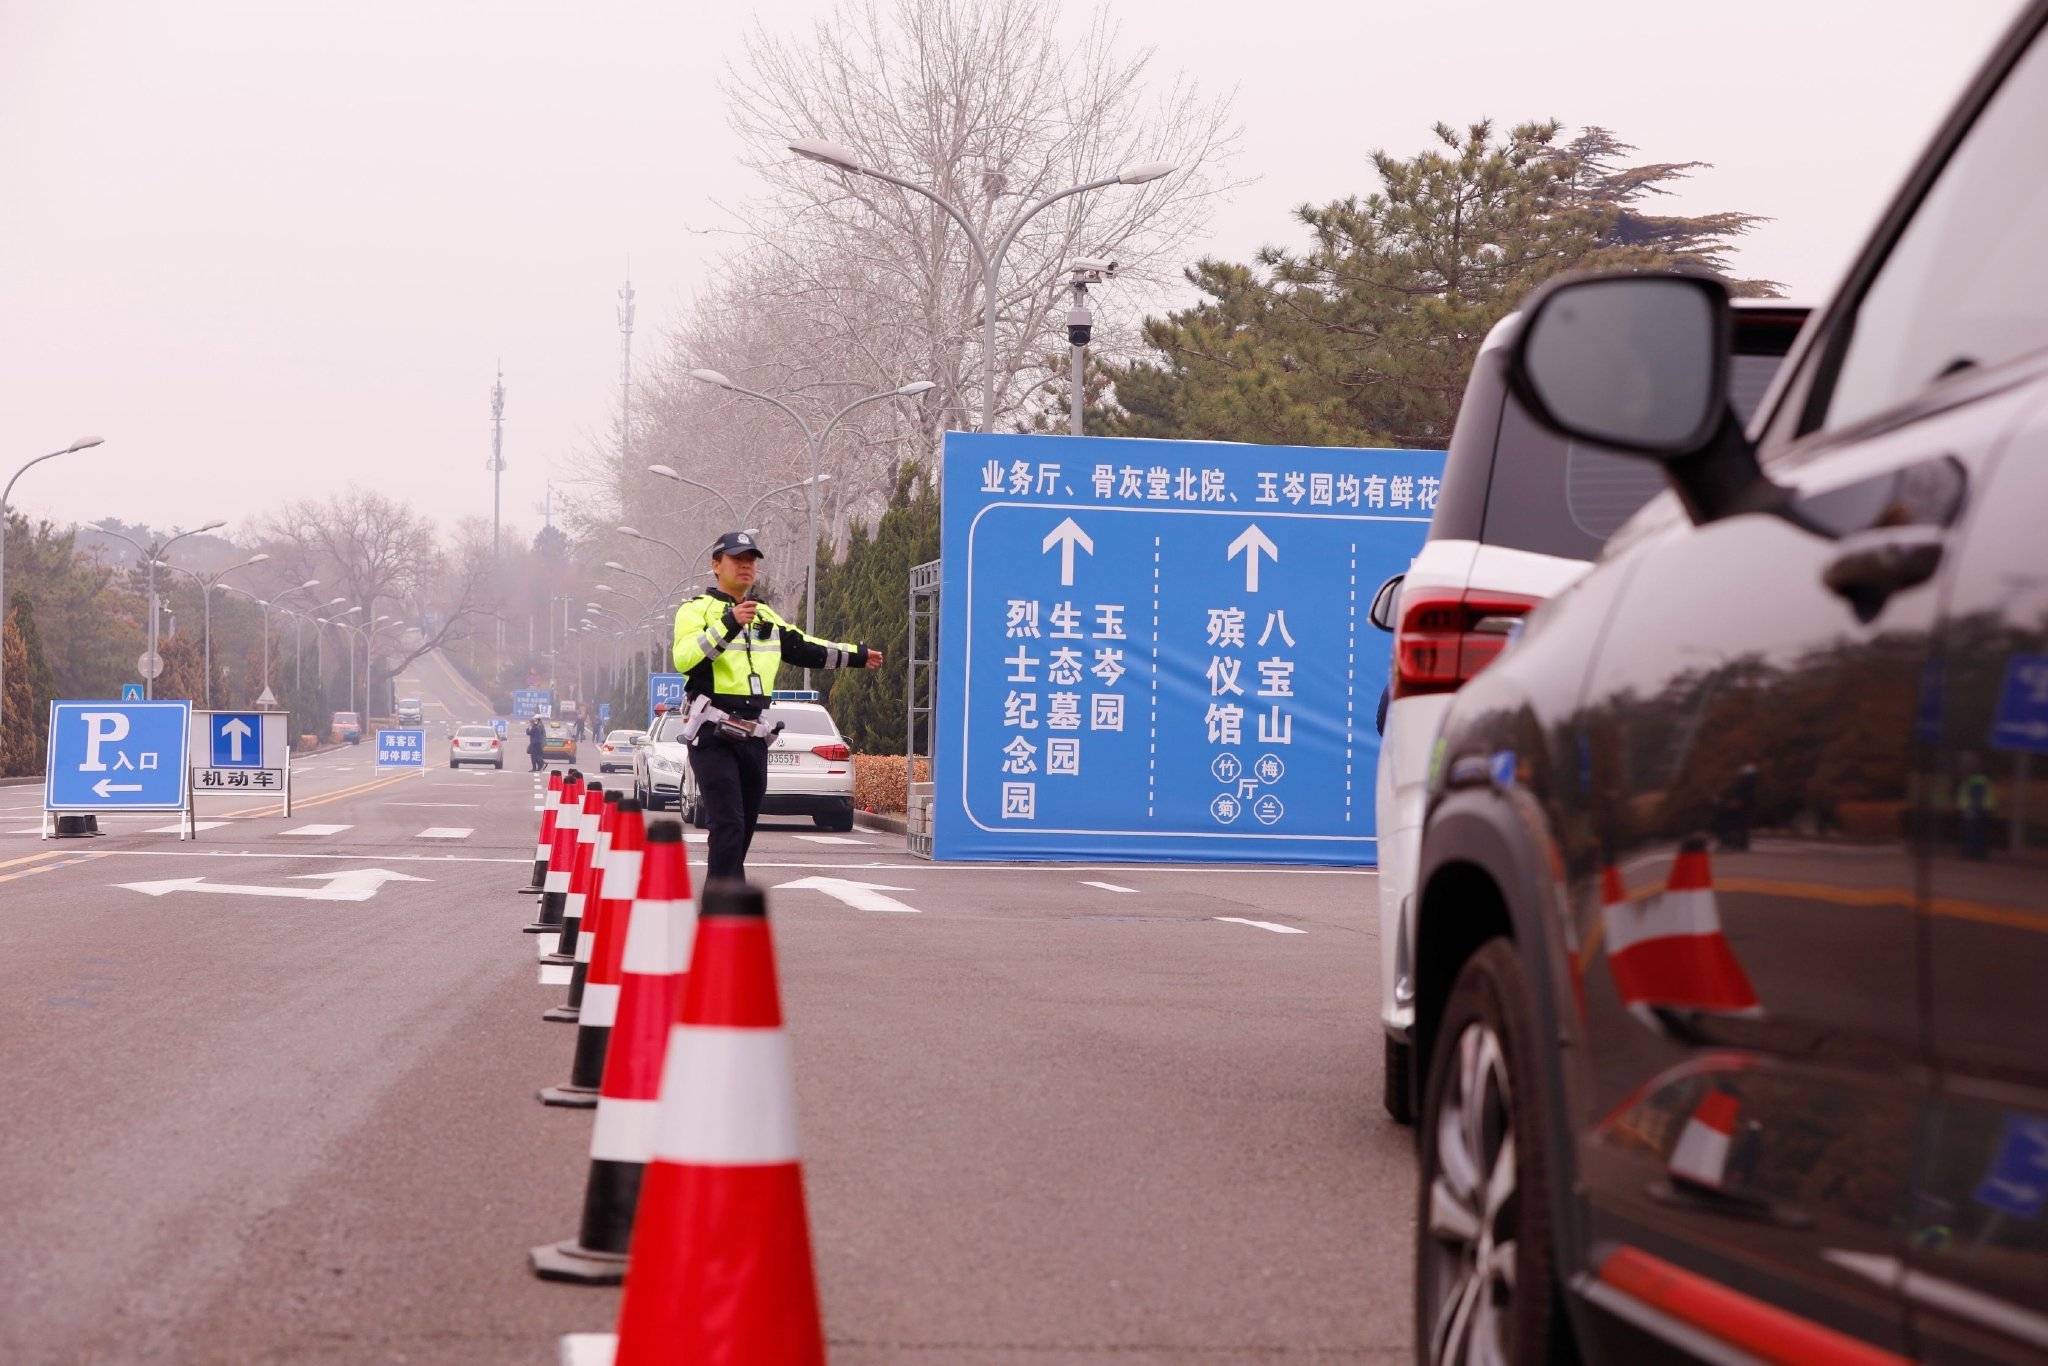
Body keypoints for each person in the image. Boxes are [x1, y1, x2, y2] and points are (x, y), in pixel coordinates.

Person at [672, 529, 881, 880]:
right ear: (715, 565)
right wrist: (728, 623)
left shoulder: (765, 615)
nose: (745, 566)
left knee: (746, 825)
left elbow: (806, 647)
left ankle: (725, 898)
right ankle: (724, 906)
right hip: (712, 735)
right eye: (737, 559)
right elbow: (685, 660)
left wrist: (857, 656)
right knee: (728, 824)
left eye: (751, 560)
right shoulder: (696, 611)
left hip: (753, 736)